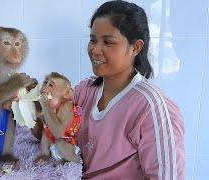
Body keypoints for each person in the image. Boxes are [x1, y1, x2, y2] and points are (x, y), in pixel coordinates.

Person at [75, 1, 185, 179]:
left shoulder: (152, 107)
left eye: (108, 42)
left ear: (135, 47)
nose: (95, 50)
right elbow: (50, 133)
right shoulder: (84, 90)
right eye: (93, 40)